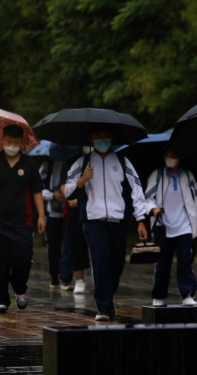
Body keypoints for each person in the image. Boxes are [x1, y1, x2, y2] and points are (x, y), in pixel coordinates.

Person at [65, 127, 147, 321]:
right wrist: (82, 179)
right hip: (93, 220)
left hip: (118, 220)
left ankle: (107, 295)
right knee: (100, 259)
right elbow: (68, 192)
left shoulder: (122, 161)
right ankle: (104, 307)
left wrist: (141, 219)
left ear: (112, 137)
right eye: (97, 136)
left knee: (117, 263)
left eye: (105, 136)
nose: (102, 139)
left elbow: (137, 190)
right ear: (91, 139)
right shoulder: (82, 162)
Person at [0, 125, 46, 313]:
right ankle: (2, 298)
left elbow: (37, 190)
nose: (12, 145)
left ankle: (20, 289)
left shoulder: (28, 164)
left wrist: (42, 216)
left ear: (21, 143)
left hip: (22, 222)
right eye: (9, 142)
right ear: (3, 141)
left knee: (22, 258)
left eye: (16, 143)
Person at [143, 148, 197, 306]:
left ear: (180, 157)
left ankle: (188, 294)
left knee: (185, 262)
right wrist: (153, 209)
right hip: (163, 227)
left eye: (173, 156)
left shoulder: (188, 176)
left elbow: (196, 201)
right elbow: (147, 198)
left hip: (184, 226)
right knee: (162, 263)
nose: (169, 159)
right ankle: (158, 295)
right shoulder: (158, 175)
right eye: (166, 156)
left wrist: (196, 225)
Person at [59, 148, 92, 294]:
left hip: (97, 211)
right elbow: (64, 185)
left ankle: (101, 277)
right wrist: (71, 197)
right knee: (76, 245)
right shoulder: (73, 161)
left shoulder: (110, 161)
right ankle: (79, 279)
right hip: (76, 212)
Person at [40, 158, 74, 290]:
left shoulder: (74, 163)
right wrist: (53, 195)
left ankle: (66, 278)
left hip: (69, 213)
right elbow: (37, 186)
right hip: (52, 213)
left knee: (68, 244)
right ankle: (54, 275)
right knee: (53, 246)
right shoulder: (47, 163)